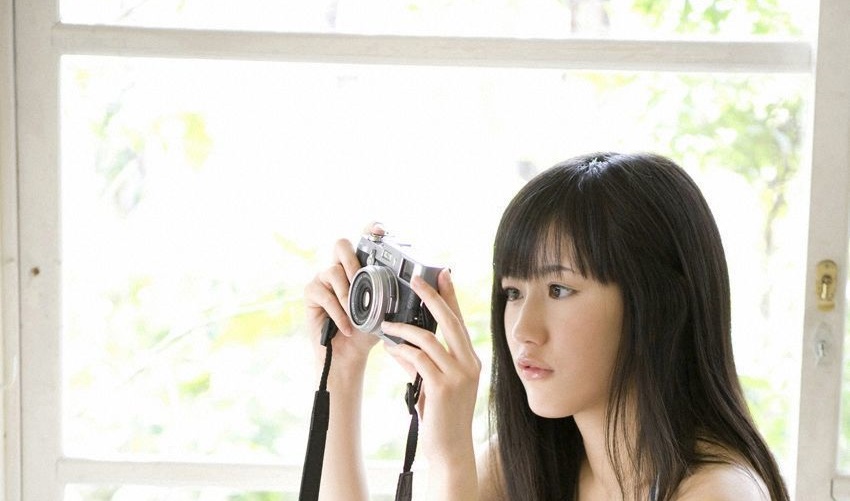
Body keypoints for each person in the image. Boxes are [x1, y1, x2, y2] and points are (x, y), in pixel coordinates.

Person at [302, 152, 790, 500]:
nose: (522, 330)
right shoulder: (532, 463)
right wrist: (340, 371)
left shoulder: (718, 492)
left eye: (559, 290)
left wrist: (450, 461)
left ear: (659, 306)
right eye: (514, 293)